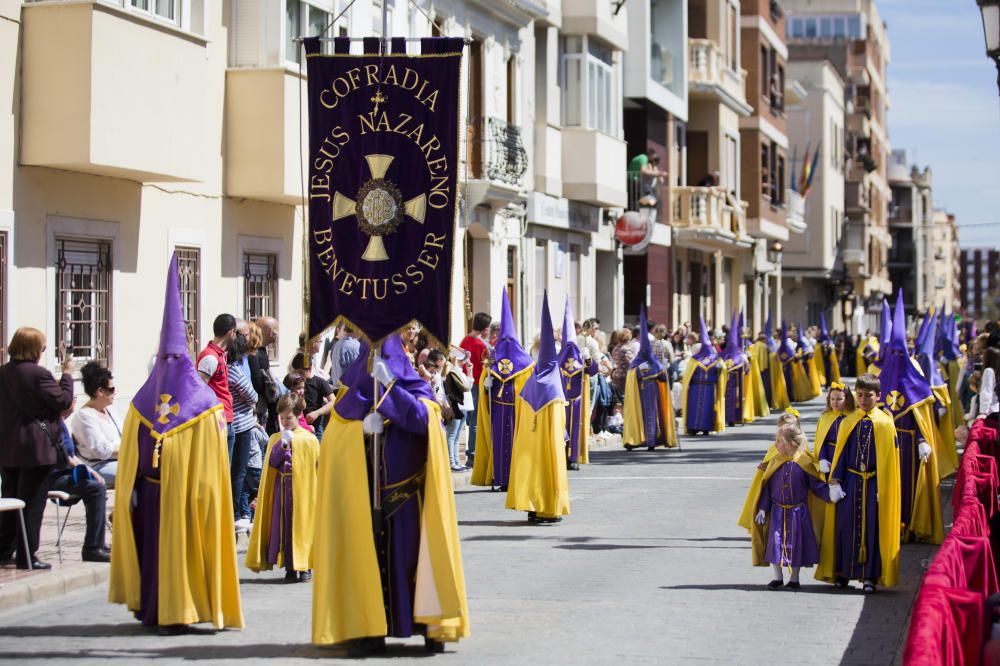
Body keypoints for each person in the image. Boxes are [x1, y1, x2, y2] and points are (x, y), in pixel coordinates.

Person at [110, 253, 243, 633]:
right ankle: (158, 607)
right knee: (157, 552)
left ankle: (175, 608)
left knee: (167, 550)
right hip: (164, 497)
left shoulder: (170, 404)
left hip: (171, 498)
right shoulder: (188, 405)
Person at [311, 335, 468, 655]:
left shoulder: (415, 387)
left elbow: (426, 421)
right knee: (365, 563)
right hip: (362, 498)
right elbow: (336, 441)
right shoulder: (350, 397)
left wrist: (390, 392)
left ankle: (429, 626)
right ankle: (367, 628)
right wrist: (360, 430)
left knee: (414, 562)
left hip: (409, 497)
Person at [815, 373, 901, 594]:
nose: (863, 400)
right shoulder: (849, 421)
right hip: (851, 481)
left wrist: (885, 487)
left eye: (868, 395)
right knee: (845, 526)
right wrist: (835, 481)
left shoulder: (885, 422)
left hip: (873, 484)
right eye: (860, 395)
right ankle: (843, 573)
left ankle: (869, 576)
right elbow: (840, 454)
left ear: (878, 396)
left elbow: (890, 460)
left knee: (871, 529)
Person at [0, 329, 74, 570]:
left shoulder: (3, 373)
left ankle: (4, 549)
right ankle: (27, 555)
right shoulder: (39, 375)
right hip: (36, 449)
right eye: (42, 349)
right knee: (32, 503)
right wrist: (66, 375)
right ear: (34, 349)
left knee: (11, 499)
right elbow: (62, 401)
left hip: (9, 448)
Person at [879, 291, 945, 544]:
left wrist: (921, 439)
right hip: (886, 443)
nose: (895, 357)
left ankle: (911, 526)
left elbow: (921, 413)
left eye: (899, 352)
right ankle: (889, 523)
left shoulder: (915, 375)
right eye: (891, 352)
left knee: (908, 486)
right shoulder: (882, 378)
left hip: (908, 444)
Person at [739, 424, 833, 589]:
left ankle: (794, 578)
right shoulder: (774, 462)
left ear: (791, 444)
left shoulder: (804, 463)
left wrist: (830, 493)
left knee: (796, 545)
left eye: (779, 442)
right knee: (775, 544)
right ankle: (778, 577)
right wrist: (762, 508)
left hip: (798, 513)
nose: (776, 445)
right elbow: (767, 489)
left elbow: (815, 485)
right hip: (777, 512)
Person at [506, 293, 569, 524]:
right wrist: (563, 434)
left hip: (529, 440)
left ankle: (532, 507)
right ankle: (548, 509)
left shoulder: (531, 381)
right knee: (547, 470)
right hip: (548, 440)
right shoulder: (554, 383)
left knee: (532, 469)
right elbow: (560, 417)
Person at [246, 393, 319, 583]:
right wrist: (283, 444)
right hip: (282, 488)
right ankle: (289, 565)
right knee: (285, 526)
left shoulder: (309, 439)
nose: (286, 421)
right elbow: (271, 462)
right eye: (282, 418)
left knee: (303, 525)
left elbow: (317, 466)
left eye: (289, 417)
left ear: (298, 415)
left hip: (303, 490)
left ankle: (305, 566)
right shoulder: (276, 438)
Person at [472, 290, 533, 491]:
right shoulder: (492, 356)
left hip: (516, 409)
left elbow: (527, 383)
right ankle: (498, 477)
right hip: (498, 408)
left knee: (515, 443)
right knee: (498, 442)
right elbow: (483, 379)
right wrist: (486, 386)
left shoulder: (525, 362)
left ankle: (513, 477)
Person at [50, 398, 110, 562]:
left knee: (96, 486)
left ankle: (99, 544)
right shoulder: (52, 424)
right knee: (95, 488)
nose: (73, 404)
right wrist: (92, 472)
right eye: (71, 400)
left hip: (68, 474)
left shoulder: (61, 423)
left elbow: (71, 456)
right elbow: (68, 458)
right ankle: (92, 548)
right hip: (55, 478)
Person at [623, 305, 677, 451]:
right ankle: (637, 439)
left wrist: (663, 371)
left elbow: (663, 379)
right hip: (639, 393)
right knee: (641, 415)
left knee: (652, 415)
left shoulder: (654, 362)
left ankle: (652, 440)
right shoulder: (638, 362)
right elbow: (632, 375)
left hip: (652, 392)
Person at [227, 320, 259, 531]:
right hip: (241, 425)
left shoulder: (227, 368)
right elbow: (252, 395)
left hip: (237, 423)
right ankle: (237, 512)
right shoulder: (235, 370)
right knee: (238, 472)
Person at [559, 300, 598, 469]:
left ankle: (573, 456)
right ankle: (560, 455)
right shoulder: (556, 357)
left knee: (575, 427)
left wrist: (588, 358)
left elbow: (593, 370)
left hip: (576, 398)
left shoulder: (580, 356)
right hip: (560, 399)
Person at [71, 361, 122, 487]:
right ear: (100, 391)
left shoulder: (110, 411)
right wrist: (129, 451)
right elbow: (101, 450)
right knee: (134, 473)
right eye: (111, 389)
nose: (115, 393)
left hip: (118, 461)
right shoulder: (84, 416)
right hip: (98, 466)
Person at [198, 314, 238, 459]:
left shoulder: (219, 355)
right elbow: (199, 390)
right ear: (230, 333)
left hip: (225, 418)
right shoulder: (210, 357)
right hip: (217, 421)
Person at [680, 318, 727, 436]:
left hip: (705, 388)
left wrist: (719, 369)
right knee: (697, 408)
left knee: (706, 408)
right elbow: (688, 375)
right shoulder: (703, 360)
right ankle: (694, 427)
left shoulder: (710, 360)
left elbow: (722, 370)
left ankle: (705, 427)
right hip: (698, 387)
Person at [459, 312, 491, 470]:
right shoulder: (481, 345)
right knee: (474, 421)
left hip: (464, 381)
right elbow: (485, 364)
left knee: (466, 418)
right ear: (485, 329)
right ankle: (472, 454)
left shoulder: (465, 340)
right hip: (477, 382)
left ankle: (469, 453)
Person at [289, 352, 334, 440]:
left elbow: (333, 401)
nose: (298, 376)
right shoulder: (293, 381)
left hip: (316, 428)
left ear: (309, 369)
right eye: (295, 373)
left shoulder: (320, 382)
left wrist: (317, 413)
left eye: (301, 373)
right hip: (297, 428)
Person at [814, 383, 854, 474]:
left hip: (847, 458)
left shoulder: (852, 418)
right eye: (832, 399)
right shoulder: (825, 417)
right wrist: (822, 459)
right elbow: (820, 442)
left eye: (839, 399)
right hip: (829, 457)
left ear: (847, 400)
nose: (835, 402)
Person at [443, 348, 472, 471]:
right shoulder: (452, 372)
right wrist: (454, 364)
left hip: (464, 406)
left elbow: (468, 386)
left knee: (457, 435)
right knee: (452, 434)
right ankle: (451, 462)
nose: (463, 361)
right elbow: (459, 384)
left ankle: (456, 461)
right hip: (456, 406)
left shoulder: (460, 372)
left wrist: (470, 370)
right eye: (460, 359)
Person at [777, 321, 811, 403]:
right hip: (784, 364)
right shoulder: (784, 342)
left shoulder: (790, 342)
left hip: (789, 364)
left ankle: (790, 397)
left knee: (789, 381)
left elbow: (796, 352)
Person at [816, 313, 841, 388]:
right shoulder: (819, 342)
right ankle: (823, 382)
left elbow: (832, 350)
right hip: (822, 360)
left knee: (828, 371)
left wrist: (828, 349)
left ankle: (828, 383)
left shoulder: (829, 342)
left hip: (828, 360)